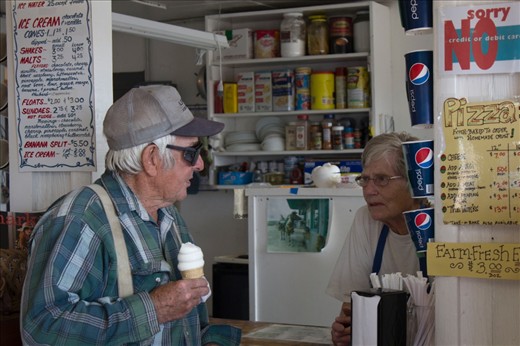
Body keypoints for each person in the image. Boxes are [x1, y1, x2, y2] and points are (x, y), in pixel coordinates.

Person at [20, 85, 241, 345]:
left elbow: (185, 323)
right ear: (151, 158)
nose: (200, 164)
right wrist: (154, 309)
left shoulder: (169, 217)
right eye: (191, 153)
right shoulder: (82, 219)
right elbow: (42, 327)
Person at [326, 132, 429, 346]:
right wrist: (346, 332)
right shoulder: (366, 220)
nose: (369, 191)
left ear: (413, 181)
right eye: (364, 179)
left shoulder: (440, 225)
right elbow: (350, 308)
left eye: (382, 179)